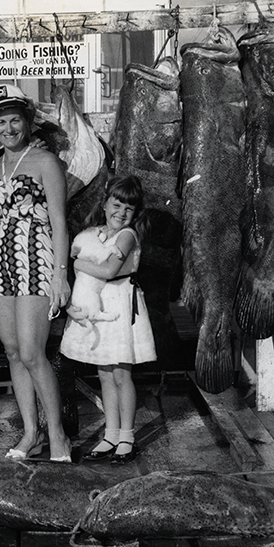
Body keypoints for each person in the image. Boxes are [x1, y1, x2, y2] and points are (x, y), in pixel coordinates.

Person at [0, 83, 74, 462]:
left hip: (38, 259)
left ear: (27, 122)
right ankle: (30, 434)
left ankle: (58, 435)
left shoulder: (46, 162)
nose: (9, 129)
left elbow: (61, 224)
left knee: (33, 352)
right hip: (1, 263)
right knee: (13, 352)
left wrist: (60, 276)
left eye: (15, 120)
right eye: (1, 122)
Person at [60, 174, 156, 464]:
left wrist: (77, 263)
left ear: (135, 213)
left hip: (121, 303)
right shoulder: (95, 232)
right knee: (104, 373)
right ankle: (110, 434)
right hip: (100, 303)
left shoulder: (127, 235)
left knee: (121, 373)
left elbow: (110, 271)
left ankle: (127, 435)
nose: (121, 213)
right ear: (104, 205)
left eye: (128, 209)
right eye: (116, 205)